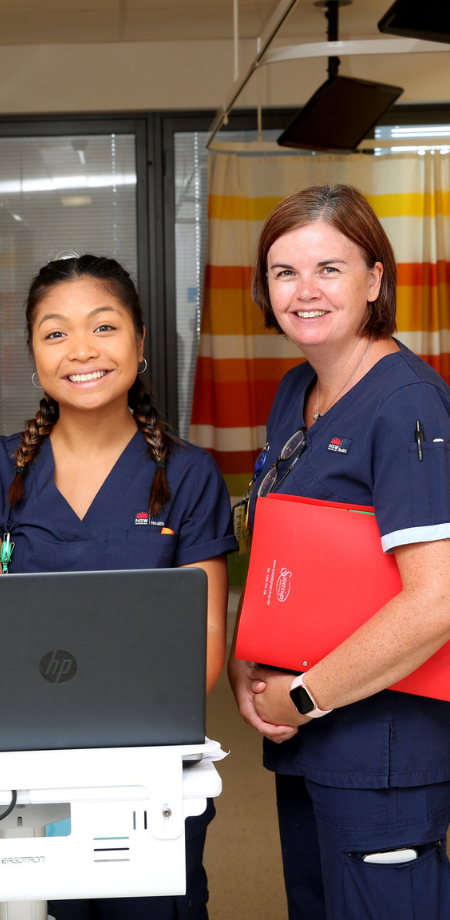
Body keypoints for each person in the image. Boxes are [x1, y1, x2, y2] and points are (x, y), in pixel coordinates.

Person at [0, 254, 236, 920]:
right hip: (20, 773)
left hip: (149, 772)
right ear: (34, 355)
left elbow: (203, 654)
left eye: (103, 327)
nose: (81, 350)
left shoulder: (188, 477)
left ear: (139, 344)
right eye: (55, 333)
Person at [228, 185, 450, 920]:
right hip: (309, 743)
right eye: (284, 272)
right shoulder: (299, 389)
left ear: (375, 279)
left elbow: (437, 599)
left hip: (381, 747)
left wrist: (305, 694)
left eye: (329, 268)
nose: (304, 291)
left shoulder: (407, 404)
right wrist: (246, 659)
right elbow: (282, 543)